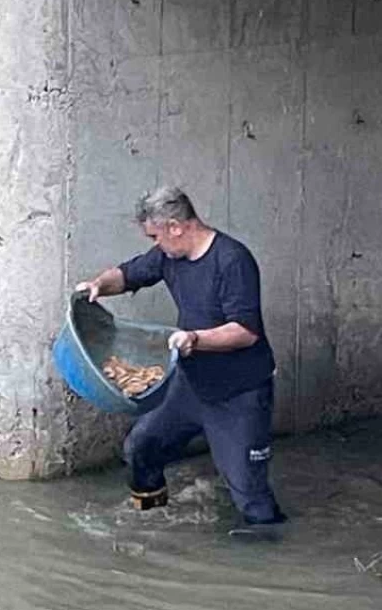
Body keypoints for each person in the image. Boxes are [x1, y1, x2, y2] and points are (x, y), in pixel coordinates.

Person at [76, 186, 287, 528]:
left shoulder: (232, 260)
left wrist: (195, 339)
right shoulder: (168, 256)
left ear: (176, 226)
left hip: (238, 393)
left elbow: (245, 331)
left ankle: (270, 562)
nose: (154, 244)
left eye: (155, 235)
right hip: (190, 385)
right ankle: (151, 518)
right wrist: (99, 285)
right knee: (141, 447)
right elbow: (128, 275)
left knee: (251, 496)